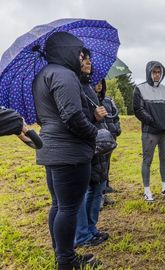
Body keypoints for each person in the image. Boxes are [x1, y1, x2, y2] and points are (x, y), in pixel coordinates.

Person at [32, 32, 101, 269]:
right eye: (79, 52)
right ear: (67, 50)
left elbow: (49, 115)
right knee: (69, 207)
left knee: (59, 205)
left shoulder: (43, 74)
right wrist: (96, 134)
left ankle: (62, 255)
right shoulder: (65, 75)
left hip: (50, 147)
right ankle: (67, 261)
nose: (82, 56)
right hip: (69, 152)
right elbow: (72, 116)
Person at [75, 50, 110, 248]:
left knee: (98, 186)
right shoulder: (74, 85)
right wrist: (93, 117)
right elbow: (73, 117)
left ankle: (91, 229)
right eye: (83, 58)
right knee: (85, 190)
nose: (88, 62)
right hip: (85, 143)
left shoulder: (87, 85)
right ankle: (83, 235)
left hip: (96, 143)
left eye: (89, 58)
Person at [133, 61, 165, 201]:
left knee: (164, 158)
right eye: (154, 72)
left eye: (159, 72)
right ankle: (147, 190)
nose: (157, 75)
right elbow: (138, 110)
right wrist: (152, 121)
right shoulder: (139, 89)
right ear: (149, 73)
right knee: (147, 160)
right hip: (150, 132)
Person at [94, 79, 121, 207]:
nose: (99, 85)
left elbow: (116, 116)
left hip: (111, 137)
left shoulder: (108, 100)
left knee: (106, 165)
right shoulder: (90, 99)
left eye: (101, 83)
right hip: (98, 139)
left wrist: (116, 130)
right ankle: (99, 196)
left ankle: (105, 190)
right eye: (96, 83)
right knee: (99, 167)